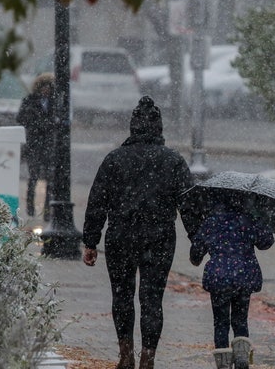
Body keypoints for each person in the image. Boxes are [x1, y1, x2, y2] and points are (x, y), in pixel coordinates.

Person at [82, 96, 193, 369]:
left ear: (132, 128)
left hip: (121, 235)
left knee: (122, 296)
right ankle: (148, 358)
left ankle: (125, 355)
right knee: (152, 298)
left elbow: (97, 201)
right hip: (160, 237)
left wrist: (91, 241)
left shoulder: (114, 160)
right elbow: (190, 204)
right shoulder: (173, 161)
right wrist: (197, 241)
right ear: (159, 129)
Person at [189, 197, 274, 369]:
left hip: (219, 277)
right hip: (244, 276)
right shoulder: (249, 218)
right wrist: (262, 216)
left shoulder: (212, 221)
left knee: (220, 322)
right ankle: (242, 358)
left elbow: (196, 252)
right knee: (240, 319)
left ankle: (223, 363)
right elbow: (266, 242)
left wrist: (196, 256)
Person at [16, 72, 56, 220]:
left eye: (49, 87)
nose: (46, 90)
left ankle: (47, 210)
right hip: (34, 144)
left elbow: (58, 121)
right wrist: (36, 124)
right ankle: (30, 207)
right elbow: (20, 118)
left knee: (49, 179)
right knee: (33, 176)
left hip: (49, 145)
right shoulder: (29, 101)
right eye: (44, 87)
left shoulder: (55, 102)